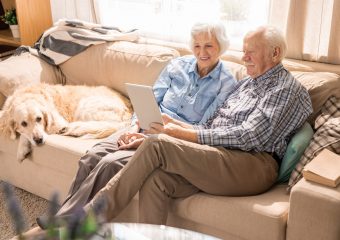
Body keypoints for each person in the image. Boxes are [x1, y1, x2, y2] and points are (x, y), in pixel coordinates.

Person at [76, 25, 313, 224]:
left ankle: (82, 223)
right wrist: (174, 124)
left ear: (275, 53)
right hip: (220, 155)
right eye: (244, 51)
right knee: (157, 180)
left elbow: (251, 136)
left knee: (158, 145)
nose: (244, 58)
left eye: (251, 52)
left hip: (253, 164)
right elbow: (210, 127)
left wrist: (176, 134)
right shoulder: (248, 84)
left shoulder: (286, 88)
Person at [41, 21, 237, 221]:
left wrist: (156, 134)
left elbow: (202, 130)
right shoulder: (177, 65)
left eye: (209, 45)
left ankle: (66, 222)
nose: (202, 52)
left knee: (110, 163)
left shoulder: (227, 83)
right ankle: (64, 215)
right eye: (197, 45)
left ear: (220, 46)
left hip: (170, 140)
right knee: (91, 156)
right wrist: (134, 126)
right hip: (144, 123)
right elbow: (150, 99)